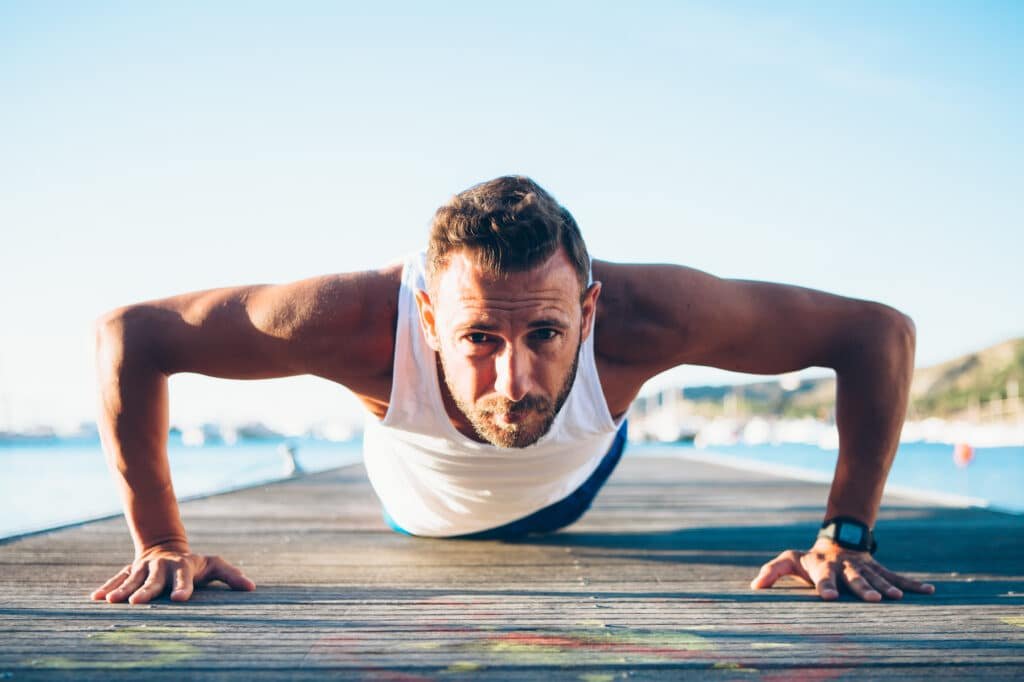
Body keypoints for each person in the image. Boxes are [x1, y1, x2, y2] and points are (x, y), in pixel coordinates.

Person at [89, 176, 935, 606]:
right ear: (426, 317)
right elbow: (133, 336)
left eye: (546, 335)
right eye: (478, 340)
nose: (515, 381)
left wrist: (846, 535)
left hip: (578, 476)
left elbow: (877, 334)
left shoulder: (650, 320)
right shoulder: (353, 324)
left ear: (589, 307)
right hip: (415, 499)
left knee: (581, 416)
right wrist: (161, 540)